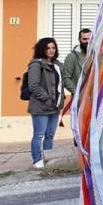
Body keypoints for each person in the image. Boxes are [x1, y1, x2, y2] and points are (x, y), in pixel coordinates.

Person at [27, 37, 65, 168]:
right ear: (42, 49)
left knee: (50, 135)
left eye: (53, 48)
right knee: (39, 135)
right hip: (41, 106)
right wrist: (48, 99)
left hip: (55, 107)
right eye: (48, 48)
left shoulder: (58, 65)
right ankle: (37, 160)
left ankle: (47, 159)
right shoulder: (36, 64)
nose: (51, 50)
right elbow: (33, 86)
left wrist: (60, 101)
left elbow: (61, 84)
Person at [62, 28, 91, 94]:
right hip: (79, 100)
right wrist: (76, 93)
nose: (88, 41)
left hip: (95, 98)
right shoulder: (72, 56)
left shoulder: (98, 55)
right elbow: (65, 78)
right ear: (79, 39)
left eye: (90, 39)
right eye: (84, 39)